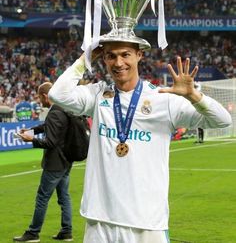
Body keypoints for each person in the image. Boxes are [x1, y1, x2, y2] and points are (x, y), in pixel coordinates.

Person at [48, 42, 232, 243]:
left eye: (125, 54)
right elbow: (57, 95)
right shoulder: (98, 95)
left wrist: (194, 96)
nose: (118, 63)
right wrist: (85, 59)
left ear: (139, 55)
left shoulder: (164, 98)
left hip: (146, 222)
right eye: (111, 56)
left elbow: (223, 120)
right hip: (99, 220)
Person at [13, 82, 73, 243]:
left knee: (42, 197)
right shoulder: (63, 108)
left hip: (55, 163)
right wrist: (31, 131)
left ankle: (33, 233)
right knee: (64, 197)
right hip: (66, 161)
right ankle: (67, 231)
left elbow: (50, 142)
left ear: (45, 96)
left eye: (40, 97)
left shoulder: (54, 112)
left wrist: (31, 139)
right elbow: (48, 127)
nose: (40, 101)